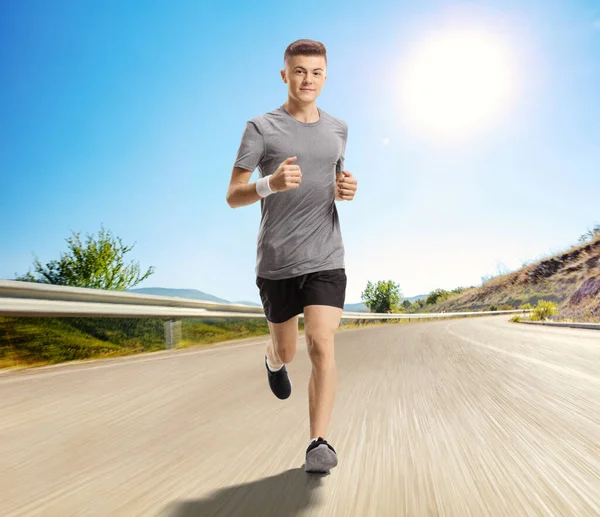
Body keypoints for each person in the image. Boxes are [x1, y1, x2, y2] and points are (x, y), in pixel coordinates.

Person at [226, 39, 358, 473]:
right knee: (289, 350)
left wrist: (347, 189)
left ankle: (318, 443)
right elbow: (233, 195)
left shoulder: (338, 128)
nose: (308, 80)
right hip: (277, 260)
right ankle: (271, 358)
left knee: (321, 341)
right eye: (299, 71)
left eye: (316, 72)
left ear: (326, 76)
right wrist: (270, 184)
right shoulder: (261, 128)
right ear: (285, 75)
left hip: (325, 254)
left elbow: (337, 178)